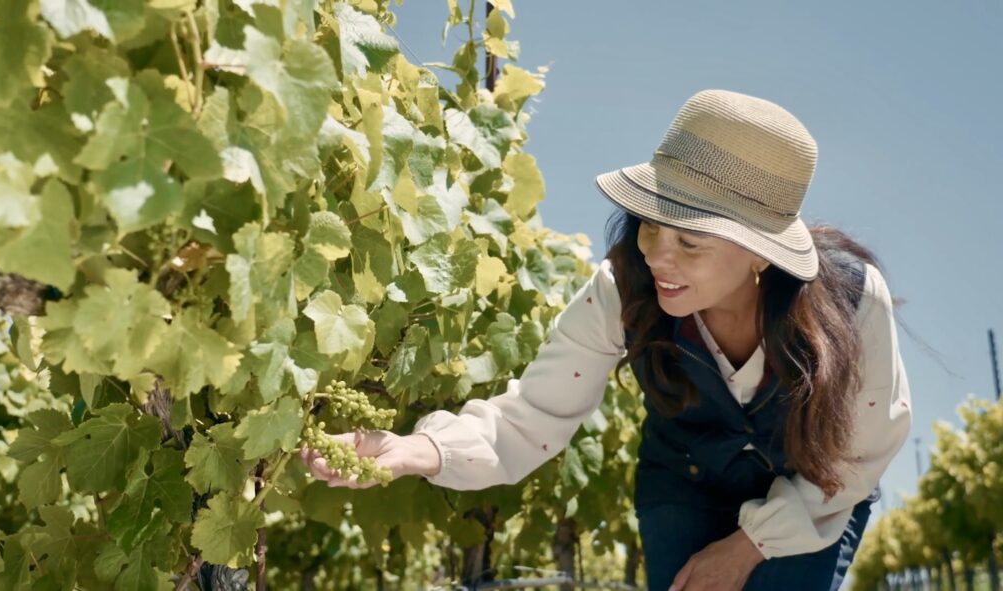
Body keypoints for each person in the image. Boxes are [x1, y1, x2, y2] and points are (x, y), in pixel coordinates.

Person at [298, 89, 913, 591]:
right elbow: (532, 415)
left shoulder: (855, 304)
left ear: (760, 254)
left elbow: (858, 455)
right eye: (651, 227)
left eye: (691, 243)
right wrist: (418, 451)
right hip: (684, 482)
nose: (659, 259)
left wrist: (750, 545)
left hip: (814, 490)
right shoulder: (622, 288)